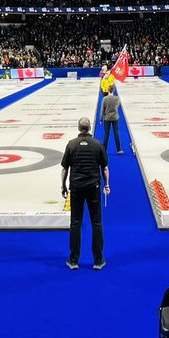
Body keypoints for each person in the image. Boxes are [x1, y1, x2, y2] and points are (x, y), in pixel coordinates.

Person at [61, 115, 109, 271]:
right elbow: (105, 168)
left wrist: (63, 186)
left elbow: (64, 169)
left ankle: (74, 260)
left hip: (76, 187)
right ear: (89, 128)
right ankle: (98, 260)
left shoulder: (71, 144)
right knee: (96, 223)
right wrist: (106, 185)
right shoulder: (97, 144)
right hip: (93, 187)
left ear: (78, 128)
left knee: (75, 223)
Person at [100, 86, 122, 154]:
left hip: (107, 118)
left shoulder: (105, 98)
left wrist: (101, 119)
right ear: (114, 90)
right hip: (115, 117)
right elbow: (118, 106)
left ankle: (104, 150)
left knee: (106, 134)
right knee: (116, 133)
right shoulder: (117, 98)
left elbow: (102, 109)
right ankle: (119, 150)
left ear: (108, 90)